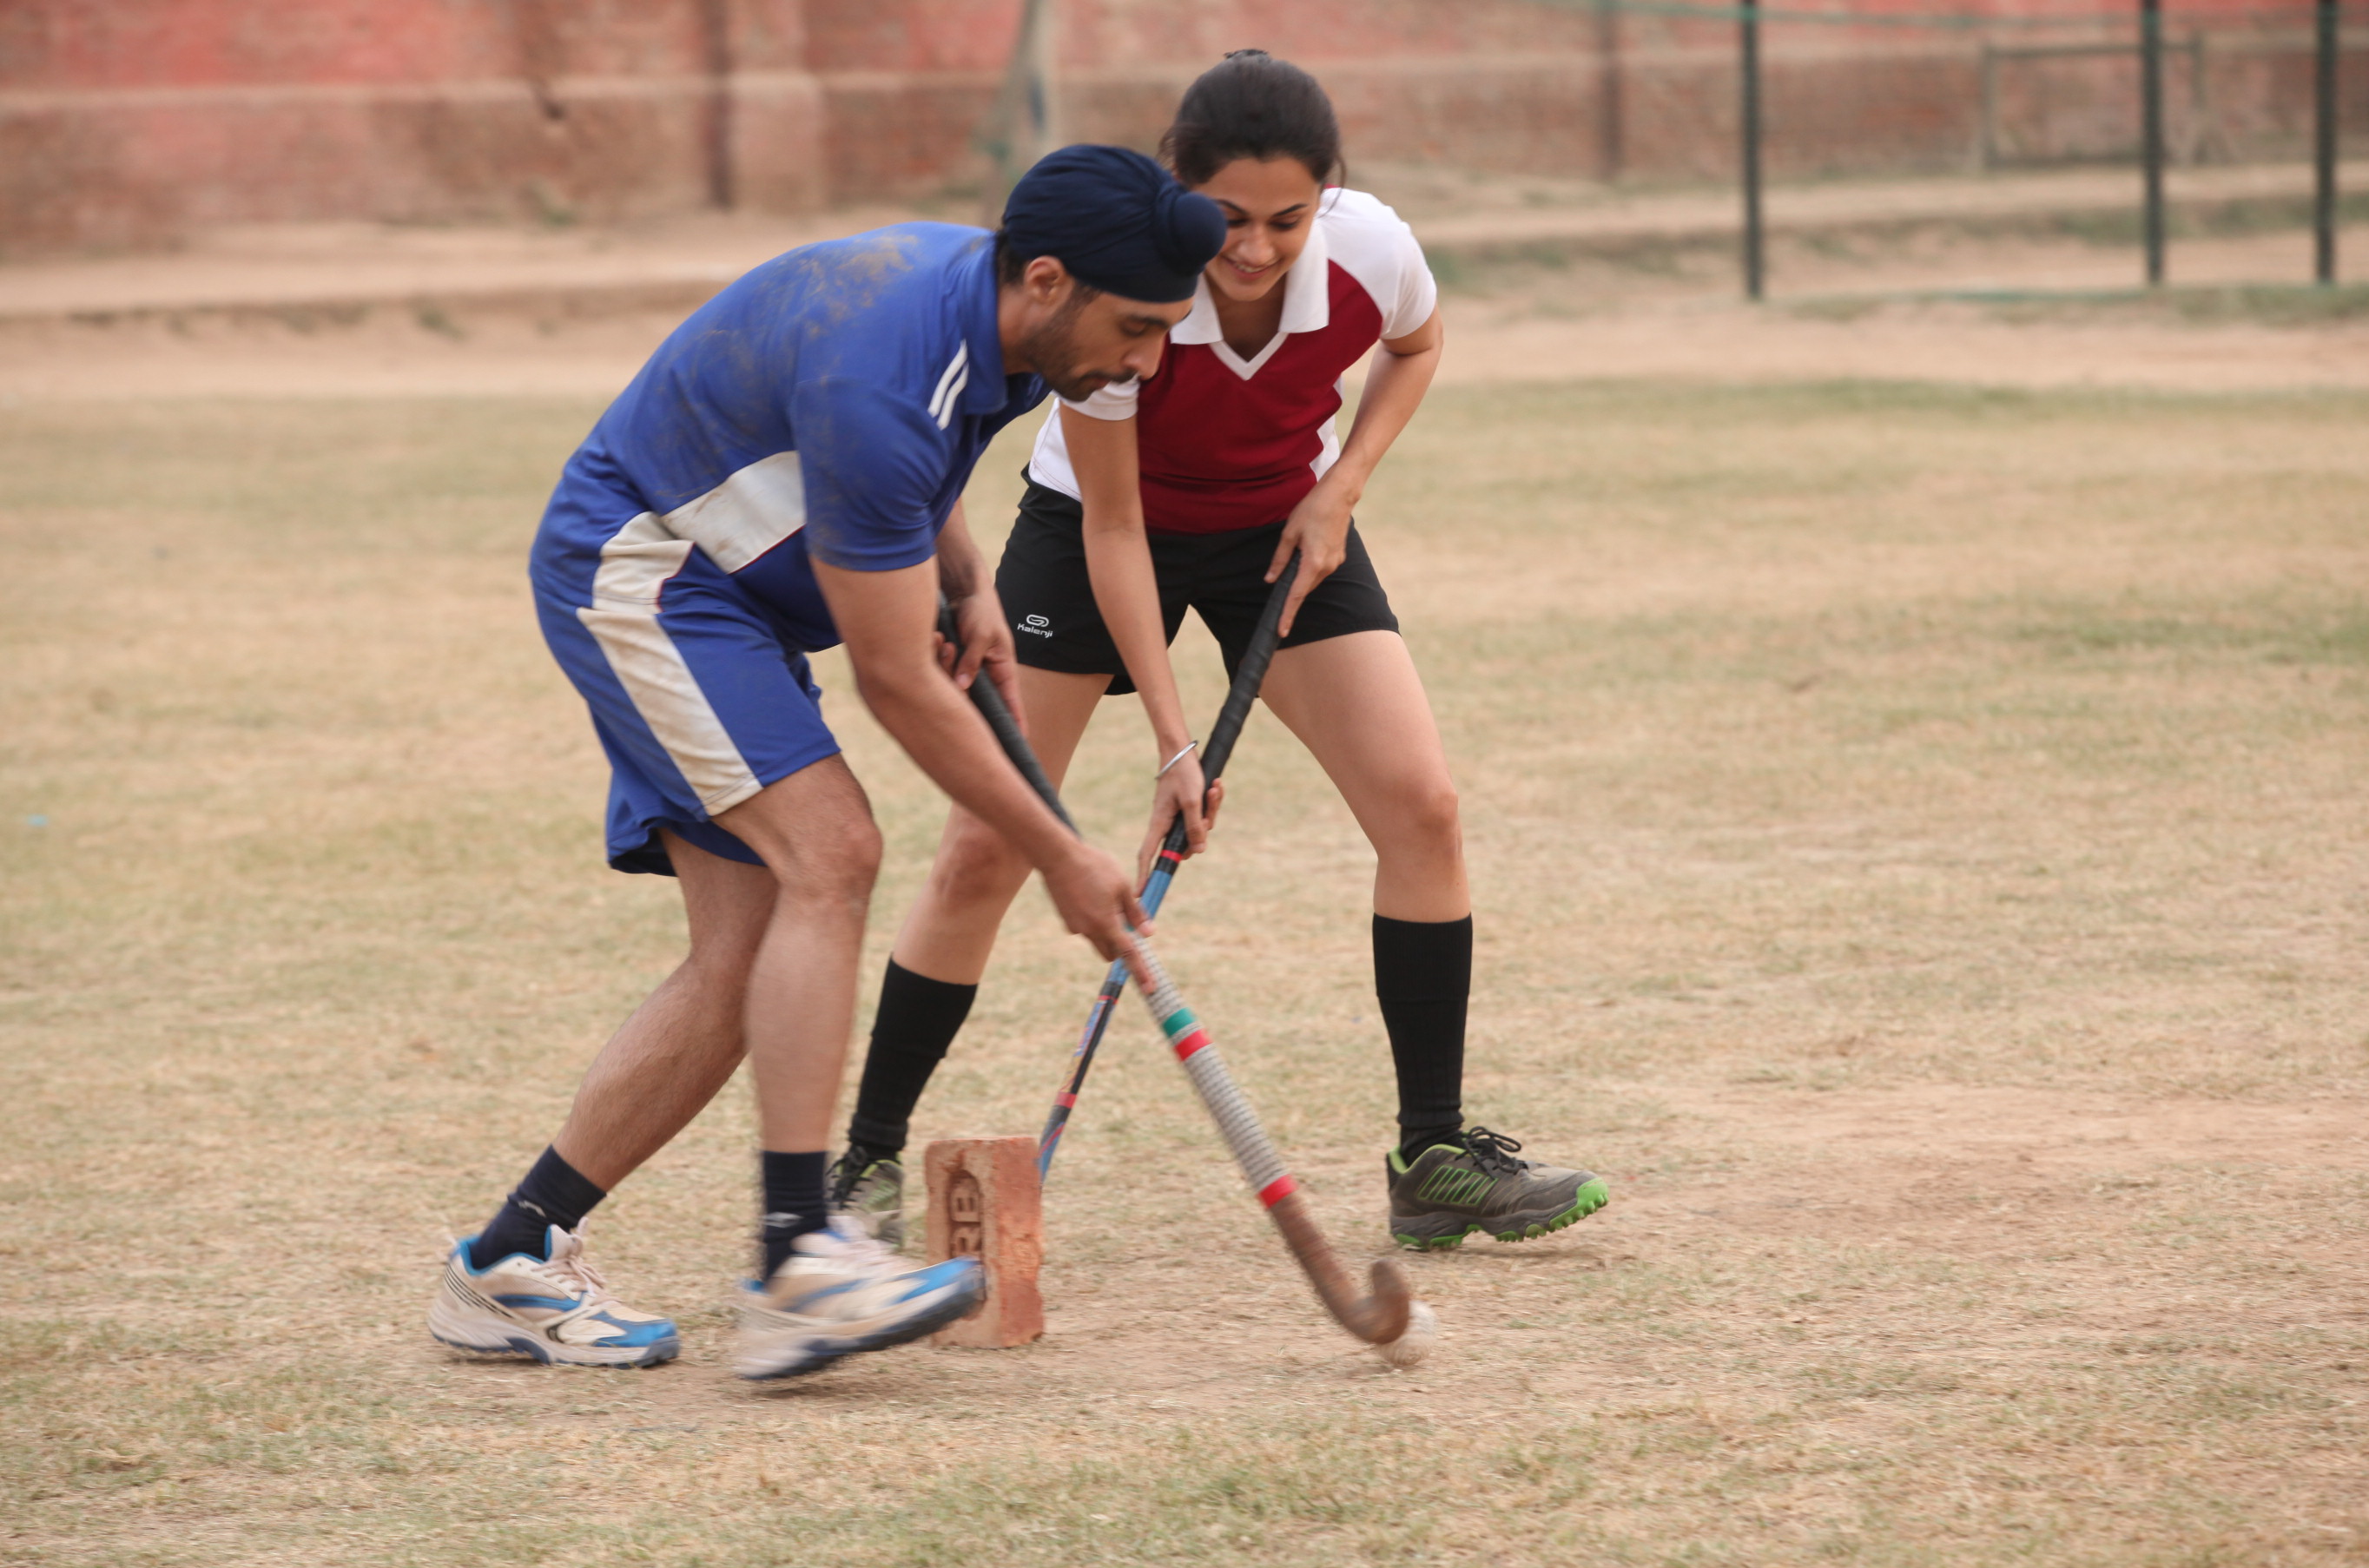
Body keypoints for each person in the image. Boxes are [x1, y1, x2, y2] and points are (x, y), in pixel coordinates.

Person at [426, 146, 1228, 1380]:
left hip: (729, 593)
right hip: (650, 574)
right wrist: (1059, 852)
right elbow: (897, 680)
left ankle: (509, 1258)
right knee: (837, 854)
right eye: (1136, 329)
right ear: (1052, 280)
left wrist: (965, 577)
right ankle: (799, 1261)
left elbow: (919, 467)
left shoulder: (1001, 325)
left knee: (749, 943)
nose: (1147, 362)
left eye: (1167, 331)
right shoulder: (884, 366)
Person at [832, 53, 1608, 1254]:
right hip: (1094, 537)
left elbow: (1417, 346)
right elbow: (1115, 524)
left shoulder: (1370, 250)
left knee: (1423, 806)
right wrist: (1172, 739)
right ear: (1180, 192)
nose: (1253, 249)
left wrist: (1342, 483)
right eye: (1230, 221)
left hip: (1280, 526)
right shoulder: (1130, 289)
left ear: (1328, 198)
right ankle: (867, 1166)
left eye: (1286, 220)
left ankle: (1434, 1154)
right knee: (984, 845)